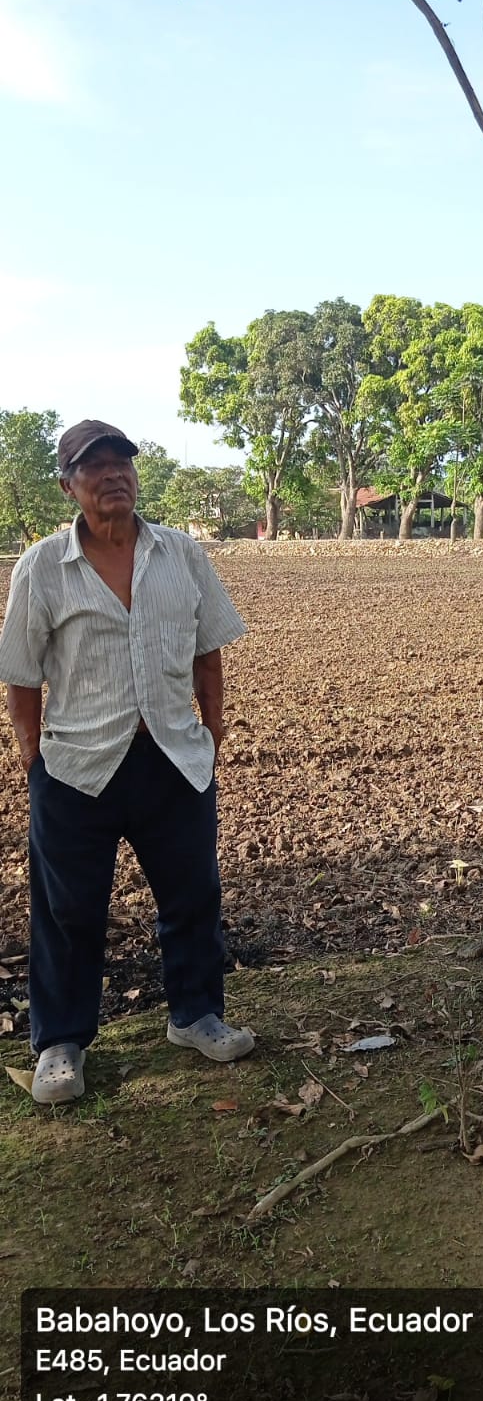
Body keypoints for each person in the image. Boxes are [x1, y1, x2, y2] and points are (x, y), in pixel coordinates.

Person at [0, 419, 254, 1104]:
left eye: (123, 463)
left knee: (192, 895)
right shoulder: (42, 568)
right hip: (76, 767)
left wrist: (211, 734)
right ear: (68, 486)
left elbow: (208, 650)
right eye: (95, 466)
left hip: (173, 757)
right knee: (68, 912)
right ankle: (60, 1043)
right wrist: (34, 761)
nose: (114, 474)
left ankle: (196, 1015)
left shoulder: (180, 554)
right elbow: (20, 675)